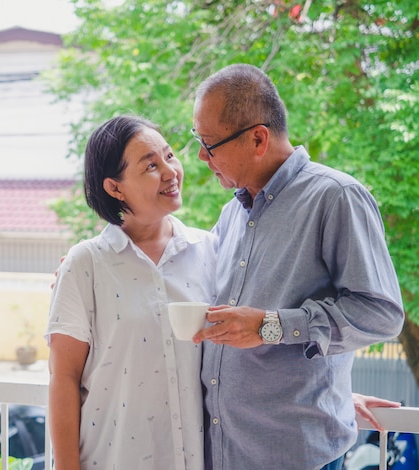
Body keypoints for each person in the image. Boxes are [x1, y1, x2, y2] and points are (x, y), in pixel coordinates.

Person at [190, 63, 405, 470]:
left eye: (210, 143)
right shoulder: (231, 213)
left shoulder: (337, 197)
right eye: (197, 140)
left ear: (257, 138)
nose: (201, 156)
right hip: (225, 453)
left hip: (296, 459)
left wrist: (270, 325)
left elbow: (382, 314)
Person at [46, 115, 217, 469]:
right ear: (115, 188)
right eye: (151, 165)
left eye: (169, 156)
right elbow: (63, 380)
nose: (170, 172)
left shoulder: (211, 251)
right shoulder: (85, 264)